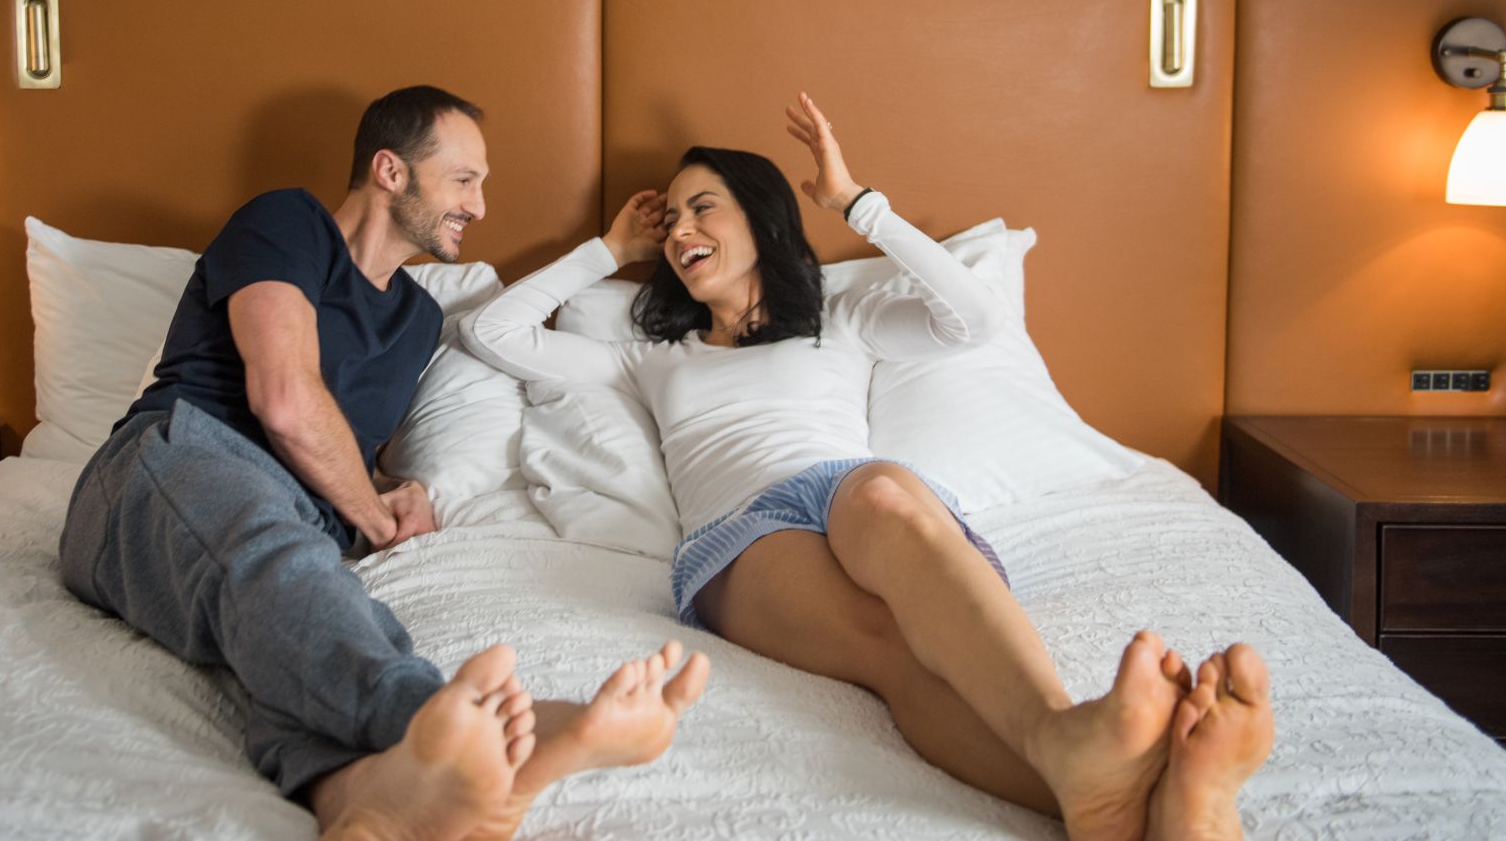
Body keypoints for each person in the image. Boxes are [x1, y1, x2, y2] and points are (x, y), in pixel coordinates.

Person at [463, 92, 1274, 841]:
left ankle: (1089, 774)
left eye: (702, 207)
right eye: (669, 219)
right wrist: (610, 248)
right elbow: (491, 333)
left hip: (853, 492)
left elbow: (976, 318)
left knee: (886, 493)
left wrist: (857, 203)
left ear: (762, 219)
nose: (679, 232)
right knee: (888, 645)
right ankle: (1115, 776)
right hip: (744, 532)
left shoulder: (843, 319)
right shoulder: (649, 356)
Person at [59, 85, 709, 840]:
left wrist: (392, 491)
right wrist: (370, 514)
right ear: (391, 171)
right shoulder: (286, 222)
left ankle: (364, 802)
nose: (480, 206)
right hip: (172, 459)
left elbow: (342, 448)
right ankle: (475, 731)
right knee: (273, 554)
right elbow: (284, 399)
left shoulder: (416, 317)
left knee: (284, 616)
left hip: (290, 518)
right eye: (464, 180)